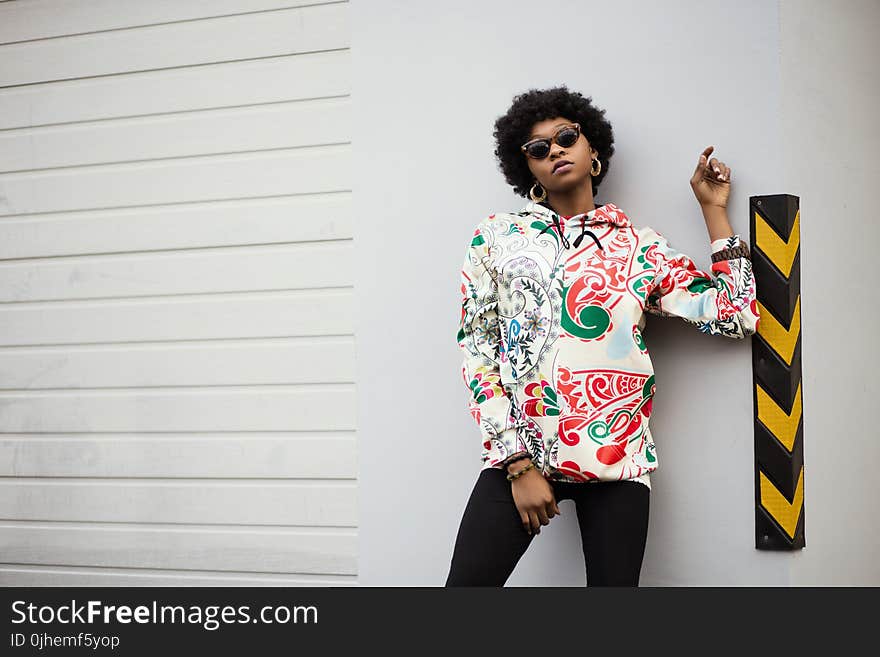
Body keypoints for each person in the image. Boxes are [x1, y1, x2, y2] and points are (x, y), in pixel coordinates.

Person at [445, 85, 759, 587]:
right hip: (521, 457)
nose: (555, 151)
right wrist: (517, 464)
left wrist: (713, 211)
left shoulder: (639, 247)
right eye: (538, 148)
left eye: (566, 137)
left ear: (593, 151)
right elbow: (478, 353)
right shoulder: (496, 239)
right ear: (527, 168)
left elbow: (735, 315)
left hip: (618, 461)